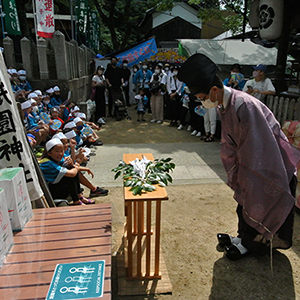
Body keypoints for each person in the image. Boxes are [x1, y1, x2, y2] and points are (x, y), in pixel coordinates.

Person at [178, 53, 300, 260]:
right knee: (244, 201)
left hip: (266, 165)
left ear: (214, 90)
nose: (203, 102)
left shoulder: (245, 104)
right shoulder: (226, 103)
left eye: (202, 97)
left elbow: (260, 144)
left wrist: (246, 169)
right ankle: (242, 237)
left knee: (256, 200)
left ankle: (250, 244)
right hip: (248, 163)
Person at [39, 138, 96, 205]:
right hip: (49, 193)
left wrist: (74, 165)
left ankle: (79, 197)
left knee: (70, 168)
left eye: (61, 151)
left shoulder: (54, 158)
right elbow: (72, 173)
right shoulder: (47, 163)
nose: (60, 153)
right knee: (69, 173)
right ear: (49, 153)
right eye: (57, 151)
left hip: (55, 187)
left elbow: (72, 166)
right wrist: (76, 167)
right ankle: (77, 200)